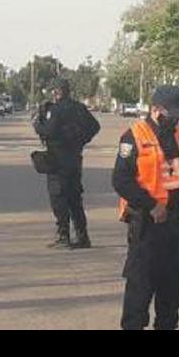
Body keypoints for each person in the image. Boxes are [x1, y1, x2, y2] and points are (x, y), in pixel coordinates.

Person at [112, 85, 179, 330]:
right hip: (146, 227)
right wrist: (151, 205)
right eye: (171, 113)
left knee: (172, 294)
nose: (175, 118)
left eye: (178, 114)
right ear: (155, 110)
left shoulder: (178, 134)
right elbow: (121, 180)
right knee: (139, 295)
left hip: (174, 225)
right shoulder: (134, 136)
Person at [33, 78, 100, 249]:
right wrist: (80, 141)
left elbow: (49, 131)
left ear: (58, 92)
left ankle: (64, 236)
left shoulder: (57, 110)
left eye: (54, 91)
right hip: (75, 159)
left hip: (57, 160)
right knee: (75, 198)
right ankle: (83, 236)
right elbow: (95, 126)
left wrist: (37, 124)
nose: (53, 94)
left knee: (58, 198)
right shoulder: (79, 108)